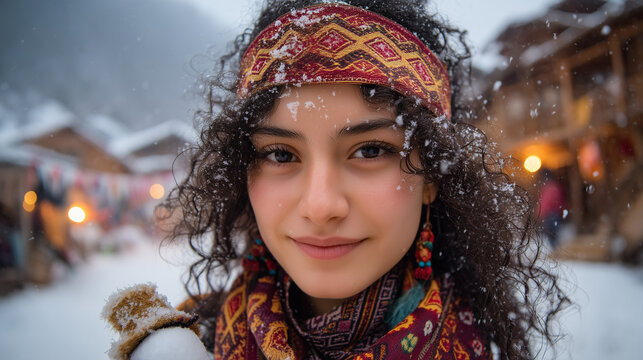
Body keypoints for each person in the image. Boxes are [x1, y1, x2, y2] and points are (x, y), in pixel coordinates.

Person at [104, 1, 569, 359]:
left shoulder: (475, 342)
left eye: (370, 150)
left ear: (433, 175)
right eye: (281, 154)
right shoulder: (185, 344)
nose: (321, 205)